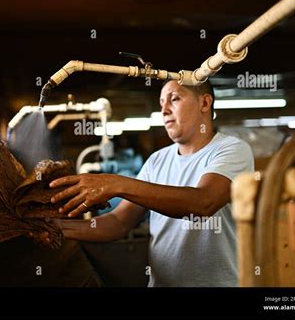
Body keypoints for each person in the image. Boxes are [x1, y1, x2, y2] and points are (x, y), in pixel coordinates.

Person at [45, 79, 254, 287]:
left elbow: (203, 203)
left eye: (175, 99)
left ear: (205, 103)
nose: (164, 110)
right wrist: (55, 227)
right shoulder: (157, 160)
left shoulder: (232, 149)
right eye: (161, 102)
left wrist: (116, 184)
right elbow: (118, 223)